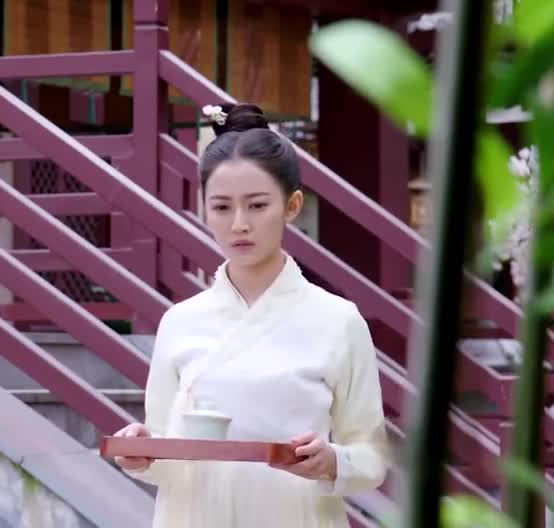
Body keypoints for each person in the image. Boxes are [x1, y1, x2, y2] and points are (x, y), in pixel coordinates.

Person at [112, 102, 389, 528]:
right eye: (222, 207)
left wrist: (333, 461)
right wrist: (141, 451)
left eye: (257, 206)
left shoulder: (338, 321)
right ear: (204, 208)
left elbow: (371, 457)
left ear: (292, 205)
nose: (239, 224)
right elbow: (168, 454)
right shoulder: (180, 322)